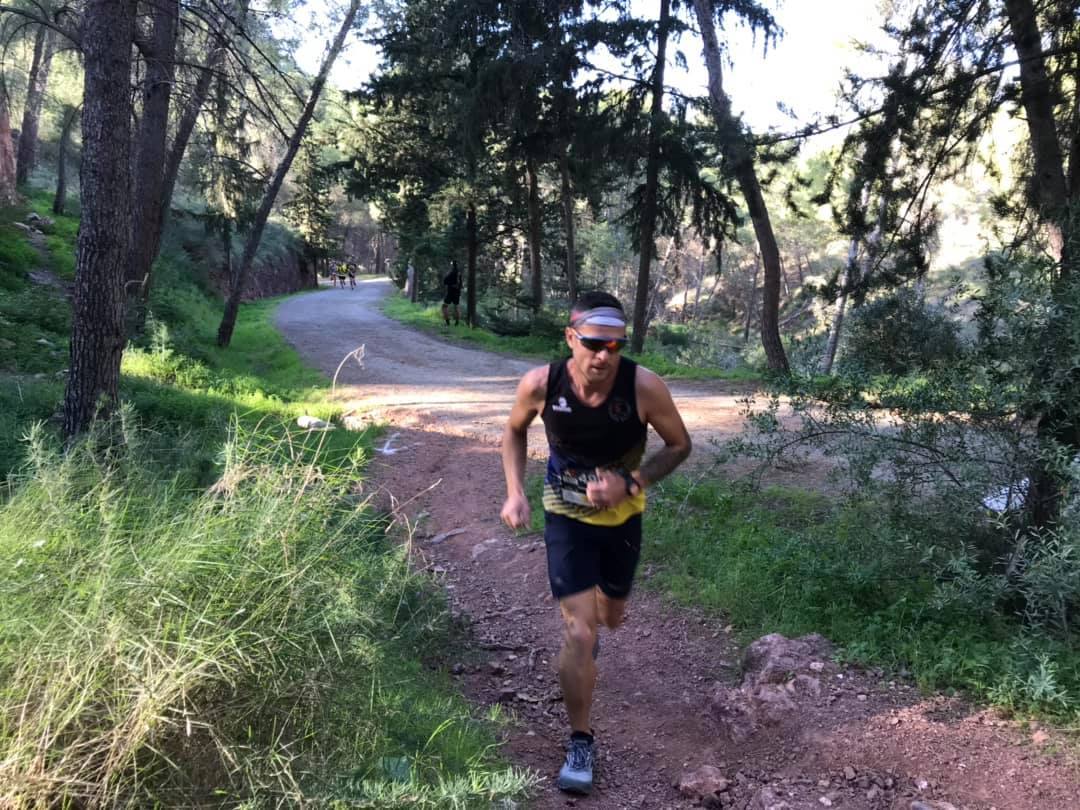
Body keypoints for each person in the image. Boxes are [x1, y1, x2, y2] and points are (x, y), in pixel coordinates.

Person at [499, 291, 692, 796]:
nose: (604, 355)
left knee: (612, 617)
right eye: (593, 344)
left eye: (615, 345)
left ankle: (596, 623)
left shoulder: (644, 387)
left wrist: (630, 484)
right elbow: (514, 432)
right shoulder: (541, 384)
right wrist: (516, 492)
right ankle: (581, 740)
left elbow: (680, 445)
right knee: (581, 634)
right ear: (571, 339)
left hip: (623, 519)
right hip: (565, 517)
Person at [442, 260, 461, 325]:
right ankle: (457, 322)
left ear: (452, 265)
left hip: (450, 292)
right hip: (457, 293)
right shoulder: (459, 273)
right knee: (456, 306)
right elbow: (460, 284)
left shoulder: (451, 273)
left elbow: (445, 281)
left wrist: (450, 283)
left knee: (444, 306)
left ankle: (447, 321)